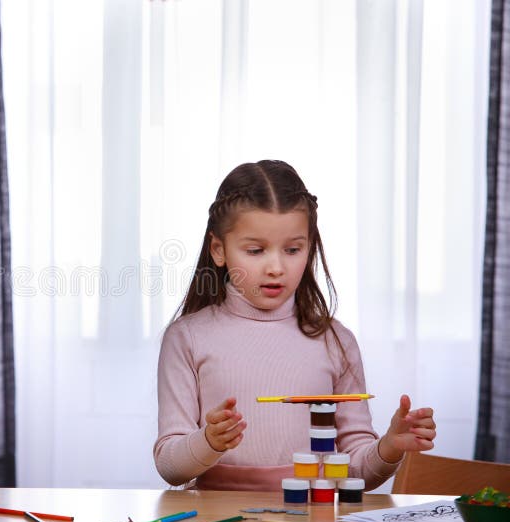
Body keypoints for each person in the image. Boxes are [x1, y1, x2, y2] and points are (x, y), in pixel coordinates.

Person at [153, 160, 437, 491]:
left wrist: (389, 446)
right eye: (256, 250)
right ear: (219, 249)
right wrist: (209, 441)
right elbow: (170, 467)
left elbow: (356, 472)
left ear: (309, 247)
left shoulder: (336, 341)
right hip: (215, 521)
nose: (276, 267)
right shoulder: (187, 337)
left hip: (310, 519)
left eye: (292, 249)